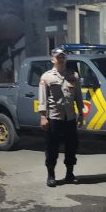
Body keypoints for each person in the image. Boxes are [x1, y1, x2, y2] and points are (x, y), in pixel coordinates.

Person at [38, 48, 85, 187]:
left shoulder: (73, 75)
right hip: (54, 118)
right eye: (58, 57)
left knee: (71, 147)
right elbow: (43, 98)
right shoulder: (46, 77)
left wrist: (81, 114)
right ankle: (51, 175)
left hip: (70, 118)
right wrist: (43, 117)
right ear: (53, 60)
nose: (61, 59)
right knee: (52, 148)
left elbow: (78, 96)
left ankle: (70, 174)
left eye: (63, 57)